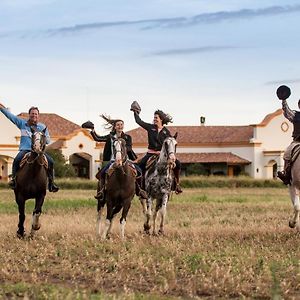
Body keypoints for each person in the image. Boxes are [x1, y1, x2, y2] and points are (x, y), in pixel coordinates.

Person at [82, 114, 147, 201]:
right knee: (102, 173)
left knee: (139, 171)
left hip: (126, 161)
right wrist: (92, 130)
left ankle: (139, 190)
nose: (120, 126)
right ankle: (102, 190)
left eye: (121, 124)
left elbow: (129, 148)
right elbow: (98, 138)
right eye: (118, 125)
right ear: (115, 127)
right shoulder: (110, 137)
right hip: (112, 160)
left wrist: (121, 147)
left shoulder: (127, 137)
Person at [0, 103, 59, 192]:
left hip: (39, 151)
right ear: (29, 115)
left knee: (51, 161)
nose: (34, 115)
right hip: (25, 150)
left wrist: (42, 137)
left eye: (36, 114)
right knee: (16, 160)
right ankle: (14, 180)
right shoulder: (22, 123)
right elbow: (10, 116)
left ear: (38, 116)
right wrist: (1, 108)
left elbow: (48, 141)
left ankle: (51, 183)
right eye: (32, 113)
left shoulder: (42, 127)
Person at [130, 101, 182, 194]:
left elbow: (170, 145)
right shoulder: (150, 127)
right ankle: (140, 187)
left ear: (161, 119)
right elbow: (139, 121)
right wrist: (135, 112)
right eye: (154, 117)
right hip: (150, 154)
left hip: (162, 155)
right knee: (139, 166)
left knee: (178, 164)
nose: (154, 119)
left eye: (156, 118)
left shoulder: (166, 132)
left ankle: (177, 184)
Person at [277, 86, 300, 185]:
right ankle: (286, 174)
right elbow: (286, 112)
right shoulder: (295, 115)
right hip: (298, 142)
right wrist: (284, 100)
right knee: (287, 152)